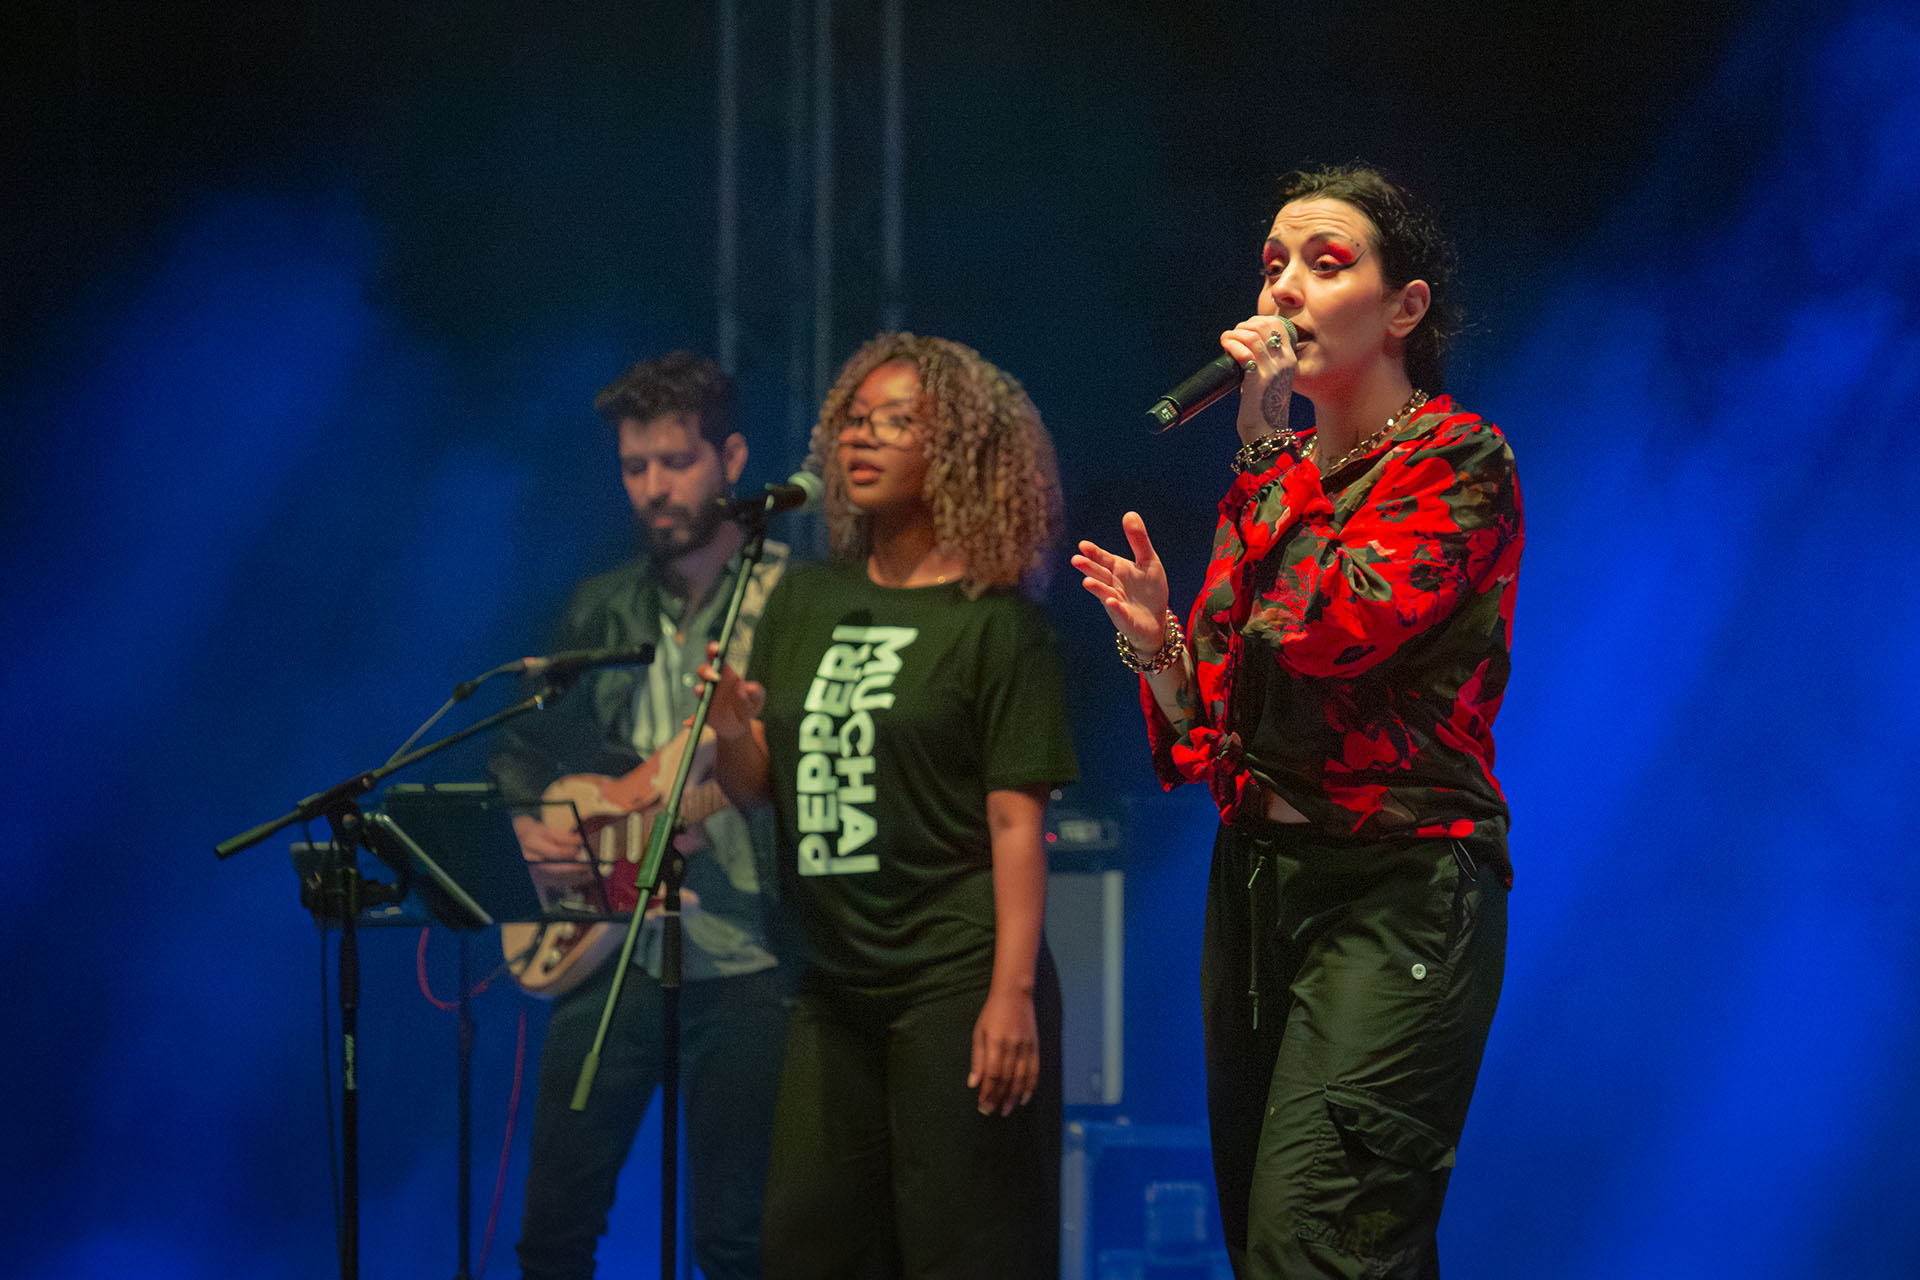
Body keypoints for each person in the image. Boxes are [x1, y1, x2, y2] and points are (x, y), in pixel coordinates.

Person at [1073, 166, 1523, 1279]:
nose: (1283, 290)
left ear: (1404, 308)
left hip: (1396, 886)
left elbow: (1335, 629)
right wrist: (1157, 646)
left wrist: (1268, 442)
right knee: (1295, 1243)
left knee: (1313, 1241)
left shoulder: (1458, 461)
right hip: (1257, 884)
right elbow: (1217, 725)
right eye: (1273, 264)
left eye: (1325, 264)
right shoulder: (1277, 480)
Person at [699, 333, 1077, 1279]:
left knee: (961, 1249)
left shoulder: (997, 624)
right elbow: (757, 789)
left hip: (954, 975)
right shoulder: (803, 600)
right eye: (854, 420)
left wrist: (1011, 994)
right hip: (833, 980)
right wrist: (732, 730)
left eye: (896, 422)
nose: (861, 438)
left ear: (957, 454)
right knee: (804, 1247)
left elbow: (1016, 823)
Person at [487, 350, 791, 1280]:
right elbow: (522, 747)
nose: (655, 487)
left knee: (734, 1243)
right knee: (553, 1234)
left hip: (747, 959)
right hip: (607, 952)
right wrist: (533, 828)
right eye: (634, 466)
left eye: (676, 461)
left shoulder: (793, 602)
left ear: (731, 458)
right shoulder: (601, 605)